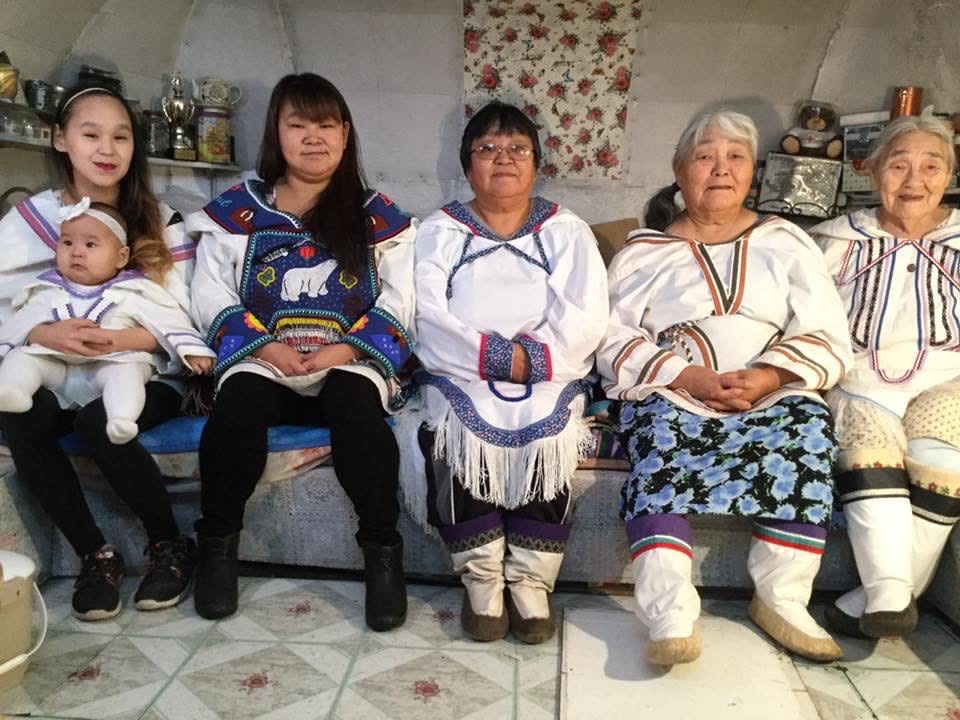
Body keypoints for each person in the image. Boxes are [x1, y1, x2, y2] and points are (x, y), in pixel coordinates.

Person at [597, 110, 854, 665]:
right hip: (672, 391)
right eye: (705, 156)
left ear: (752, 171)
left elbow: (828, 332)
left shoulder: (785, 241)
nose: (720, 168)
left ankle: (782, 599)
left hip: (771, 391)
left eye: (735, 156)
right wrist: (686, 376)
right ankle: (669, 611)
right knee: (660, 443)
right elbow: (609, 340)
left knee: (806, 432)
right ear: (679, 170)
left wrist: (769, 376)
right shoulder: (643, 253)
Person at [187, 73, 416, 630]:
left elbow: (404, 296)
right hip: (267, 359)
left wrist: (346, 349)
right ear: (277, 133)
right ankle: (217, 548)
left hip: (345, 360)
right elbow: (209, 288)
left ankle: (383, 555)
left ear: (345, 133)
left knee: (356, 408)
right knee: (238, 402)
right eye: (298, 124)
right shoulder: (240, 212)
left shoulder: (378, 218)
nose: (313, 137)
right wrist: (262, 345)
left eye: (326, 124)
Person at [406, 101, 608, 644]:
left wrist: (532, 360)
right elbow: (423, 311)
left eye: (517, 148)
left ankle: (531, 582)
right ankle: (482, 580)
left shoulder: (566, 230)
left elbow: (587, 313)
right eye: (487, 148)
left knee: (549, 427)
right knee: (458, 428)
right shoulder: (438, 231)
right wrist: (491, 358)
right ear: (467, 165)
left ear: (536, 163)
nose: (503, 158)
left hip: (548, 371)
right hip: (460, 369)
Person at [0, 84, 201, 620]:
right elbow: (7, 308)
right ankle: (95, 555)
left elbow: (183, 320)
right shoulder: (29, 223)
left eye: (121, 136)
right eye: (91, 134)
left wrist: (117, 341)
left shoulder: (160, 222)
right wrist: (44, 334)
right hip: (54, 367)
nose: (107, 148)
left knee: (100, 420)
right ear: (61, 140)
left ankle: (170, 545)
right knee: (19, 412)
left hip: (142, 369)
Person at [811, 114, 960, 639]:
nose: (914, 180)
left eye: (930, 166)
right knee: (867, 444)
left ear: (950, 174)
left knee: (944, 456)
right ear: (872, 173)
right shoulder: (833, 242)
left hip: (950, 379)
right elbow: (802, 317)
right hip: (858, 379)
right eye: (898, 165)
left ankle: (878, 598)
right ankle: (893, 594)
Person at [0, 198, 214, 442]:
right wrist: (42, 334)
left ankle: (121, 418)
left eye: (90, 244)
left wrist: (191, 349)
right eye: (67, 242)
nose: (77, 252)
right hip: (58, 370)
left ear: (122, 257)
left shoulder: (135, 291)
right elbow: (18, 324)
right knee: (21, 358)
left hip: (110, 364)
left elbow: (169, 322)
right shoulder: (45, 289)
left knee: (127, 372)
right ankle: (13, 390)